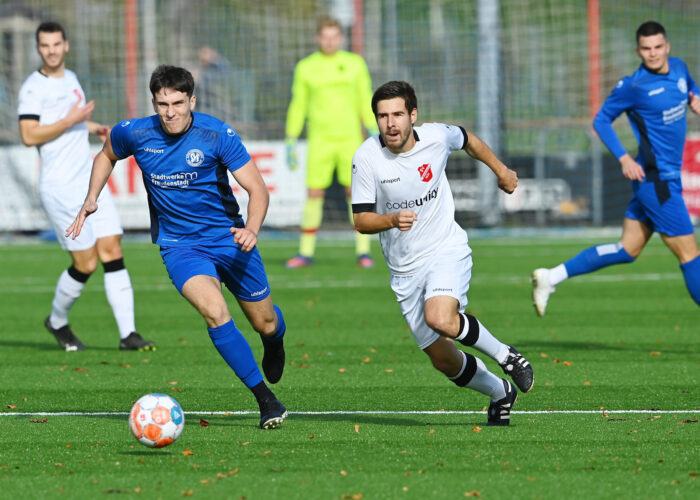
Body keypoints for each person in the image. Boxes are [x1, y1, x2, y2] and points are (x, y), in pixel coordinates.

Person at [66, 65, 288, 430]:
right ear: (154, 103)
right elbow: (106, 155)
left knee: (264, 322)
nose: (170, 112)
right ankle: (266, 400)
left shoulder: (216, 134)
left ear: (192, 101)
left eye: (178, 103)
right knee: (215, 312)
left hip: (230, 239)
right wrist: (92, 196)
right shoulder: (134, 132)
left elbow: (257, 189)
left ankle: (274, 339)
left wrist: (251, 228)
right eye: (162, 103)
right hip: (180, 247)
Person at [351, 81, 534, 426]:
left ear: (413, 116)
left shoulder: (436, 137)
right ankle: (500, 392)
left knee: (441, 318)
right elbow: (360, 220)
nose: (390, 123)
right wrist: (390, 219)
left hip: (445, 249)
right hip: (404, 271)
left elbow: (468, 140)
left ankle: (507, 356)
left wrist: (502, 171)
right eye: (383, 116)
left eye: (398, 115)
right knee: (444, 361)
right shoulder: (367, 157)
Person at [531, 21, 700, 316]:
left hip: (659, 181)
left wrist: (695, 99)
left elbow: (690, 90)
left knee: (627, 250)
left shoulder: (680, 68)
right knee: (690, 254)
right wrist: (623, 158)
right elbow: (601, 121)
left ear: (667, 46)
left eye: (658, 47)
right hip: (657, 182)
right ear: (638, 51)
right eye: (646, 49)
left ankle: (551, 276)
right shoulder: (633, 86)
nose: (653, 54)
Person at [17, 21, 154, 352]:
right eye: (45, 45)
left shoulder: (71, 78)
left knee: (112, 249)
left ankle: (128, 335)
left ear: (65, 45)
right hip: (60, 187)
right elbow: (28, 134)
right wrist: (69, 121)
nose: (51, 50)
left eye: (56, 44)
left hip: (89, 181)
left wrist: (91, 126)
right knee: (87, 263)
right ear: (39, 49)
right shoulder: (33, 88)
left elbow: (69, 121)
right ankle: (57, 321)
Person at [285, 16, 378, 268]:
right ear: (318, 38)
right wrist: (291, 137)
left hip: (350, 140)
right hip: (320, 141)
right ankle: (305, 252)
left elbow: (364, 98)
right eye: (325, 36)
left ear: (341, 38)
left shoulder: (354, 64)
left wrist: (372, 128)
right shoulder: (306, 67)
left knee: (355, 193)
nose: (329, 41)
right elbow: (298, 103)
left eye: (334, 36)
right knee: (314, 193)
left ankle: (363, 252)